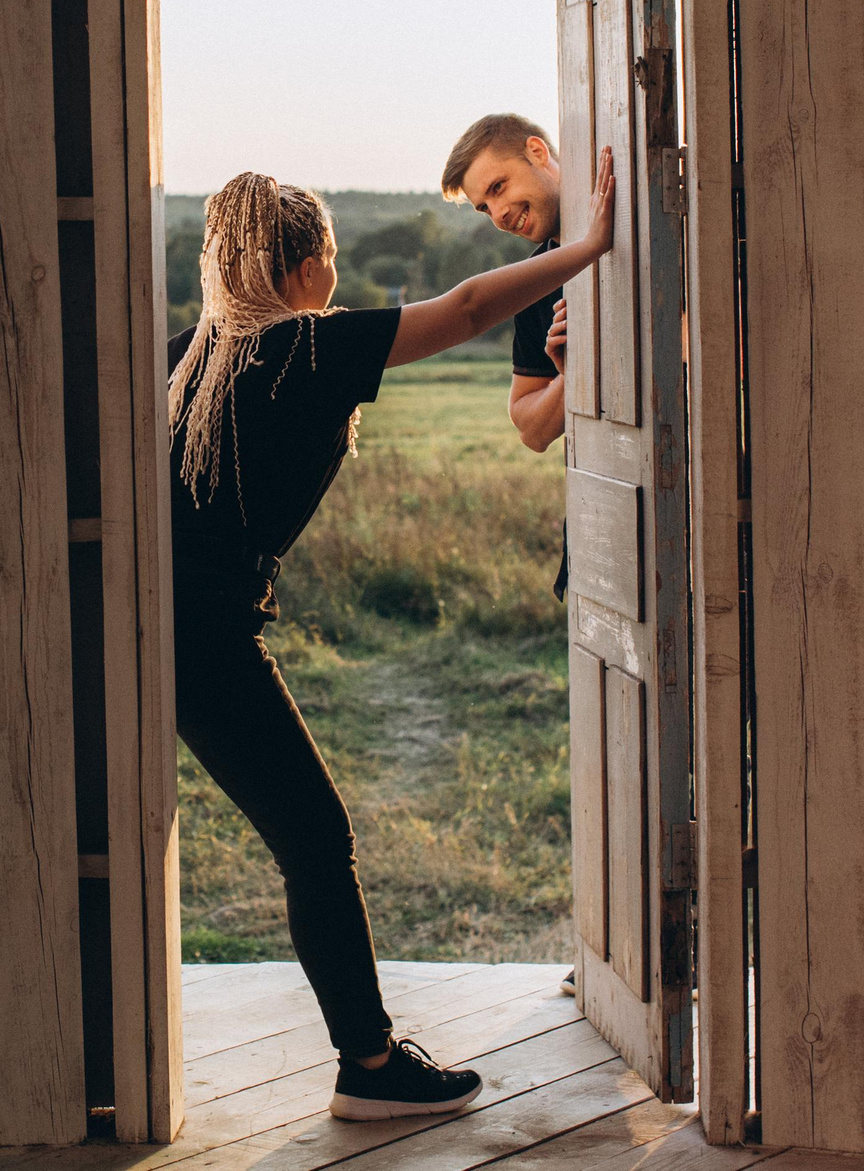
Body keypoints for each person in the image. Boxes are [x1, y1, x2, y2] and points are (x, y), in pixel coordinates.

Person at [167, 152, 614, 1120]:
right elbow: (466, 308)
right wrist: (587, 249)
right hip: (201, 641)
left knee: (293, 836)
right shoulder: (302, 346)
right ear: (306, 267)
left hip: (146, 629)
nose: (334, 277)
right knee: (317, 839)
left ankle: (362, 1061)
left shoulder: (192, 352)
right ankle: (368, 1068)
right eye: (329, 259)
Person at [439, 112, 575, 999]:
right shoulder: (538, 280)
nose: (500, 213)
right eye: (485, 208)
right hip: (603, 526)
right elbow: (530, 425)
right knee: (610, 744)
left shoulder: (646, 227)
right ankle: (624, 948)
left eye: (500, 188)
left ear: (537, 151)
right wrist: (576, 371)